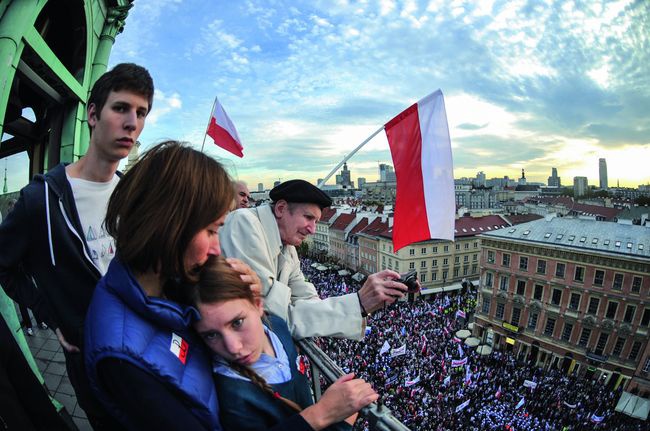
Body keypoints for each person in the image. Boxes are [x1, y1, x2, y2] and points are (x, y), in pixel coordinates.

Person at [85, 141, 295, 431]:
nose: (216, 249)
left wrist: (242, 292)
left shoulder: (165, 284)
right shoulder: (123, 359)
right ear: (170, 224)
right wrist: (315, 420)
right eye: (211, 230)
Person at [0, 63, 154, 429]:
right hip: (92, 363)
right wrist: (53, 316)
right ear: (92, 114)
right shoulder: (41, 199)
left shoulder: (135, 193)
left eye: (142, 112)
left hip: (144, 347)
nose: (132, 122)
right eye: (121, 108)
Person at [190, 256, 378, 431]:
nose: (233, 347)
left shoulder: (278, 326)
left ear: (258, 304)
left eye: (237, 322)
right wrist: (333, 418)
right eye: (211, 335)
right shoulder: (232, 400)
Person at [219, 179, 409, 340]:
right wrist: (358, 302)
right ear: (281, 208)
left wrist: (367, 304)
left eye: (316, 221)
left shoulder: (288, 247)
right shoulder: (243, 223)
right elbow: (272, 317)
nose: (312, 229)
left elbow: (308, 299)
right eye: (308, 217)